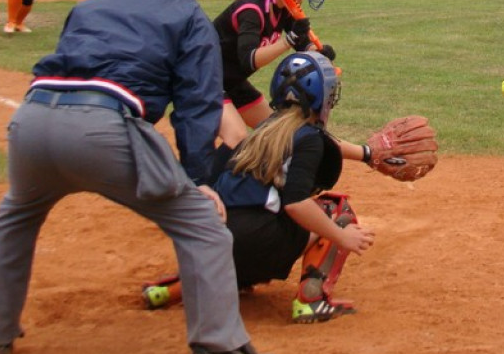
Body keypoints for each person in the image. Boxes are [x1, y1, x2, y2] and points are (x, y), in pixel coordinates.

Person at [0, 0, 275, 354]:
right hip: (102, 129)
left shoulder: (90, 5)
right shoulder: (188, 13)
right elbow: (196, 106)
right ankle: (218, 346)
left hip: (31, 120)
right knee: (203, 227)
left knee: (15, 217)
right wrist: (200, 179)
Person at [143, 52, 376, 323]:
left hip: (212, 244)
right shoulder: (309, 139)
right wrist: (340, 235)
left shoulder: (263, 129)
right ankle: (311, 302)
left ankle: (172, 289)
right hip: (256, 244)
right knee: (336, 209)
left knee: (243, 231)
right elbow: (295, 203)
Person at [214, 0, 337, 149]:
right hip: (204, 79)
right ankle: (213, 180)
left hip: (231, 79)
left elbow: (302, 43)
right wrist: (287, 40)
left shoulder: (283, 9)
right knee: (236, 137)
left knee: (278, 132)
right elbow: (250, 58)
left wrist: (319, 54)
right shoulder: (252, 10)